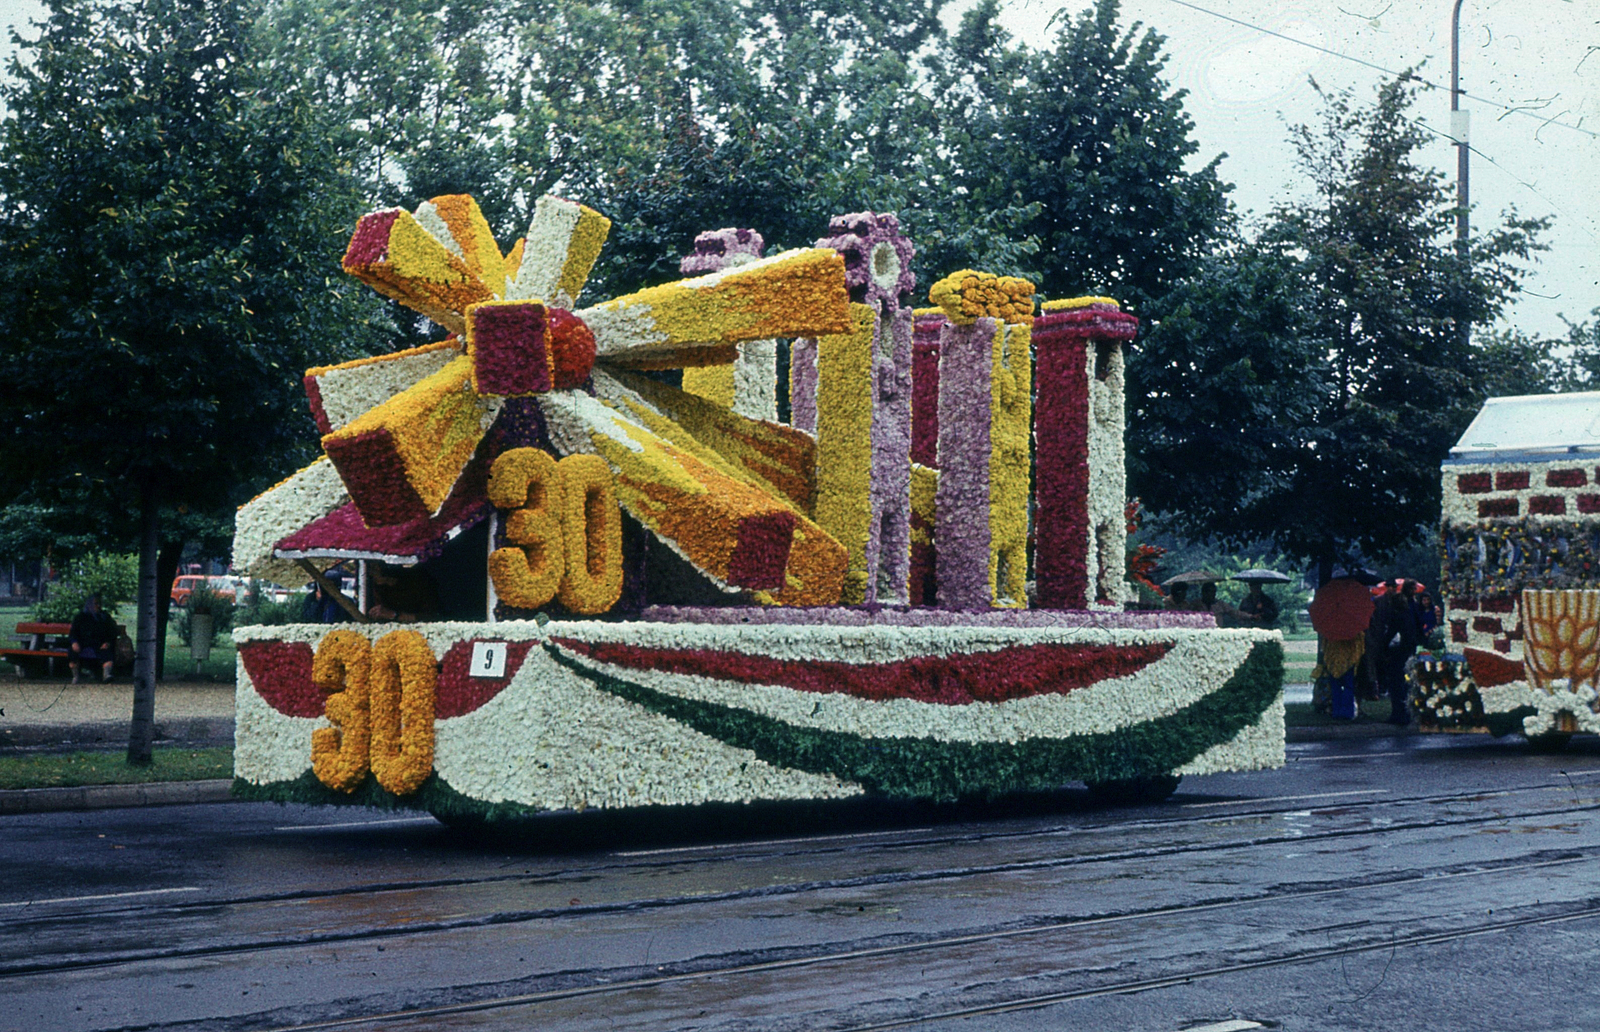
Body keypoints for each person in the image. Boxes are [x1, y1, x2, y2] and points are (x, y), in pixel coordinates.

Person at [69, 593, 117, 684]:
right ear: (89, 604)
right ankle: (76, 677)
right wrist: (74, 642)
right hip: (82, 643)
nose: (98, 606)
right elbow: (73, 633)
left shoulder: (104, 617)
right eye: (96, 604)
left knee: (107, 652)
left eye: (99, 604)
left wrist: (107, 642)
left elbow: (112, 633)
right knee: (73, 652)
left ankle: (106, 676)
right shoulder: (80, 617)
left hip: (99, 644)